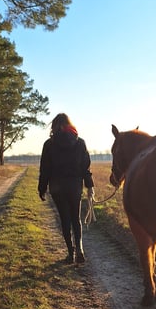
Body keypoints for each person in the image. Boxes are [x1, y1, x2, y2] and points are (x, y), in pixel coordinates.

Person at [38, 113, 95, 263]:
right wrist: (89, 185)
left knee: (65, 219)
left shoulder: (49, 144)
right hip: (75, 185)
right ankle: (80, 250)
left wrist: (42, 188)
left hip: (57, 186)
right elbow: (85, 167)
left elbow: (45, 169)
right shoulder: (80, 143)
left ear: (54, 126)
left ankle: (71, 253)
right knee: (76, 218)